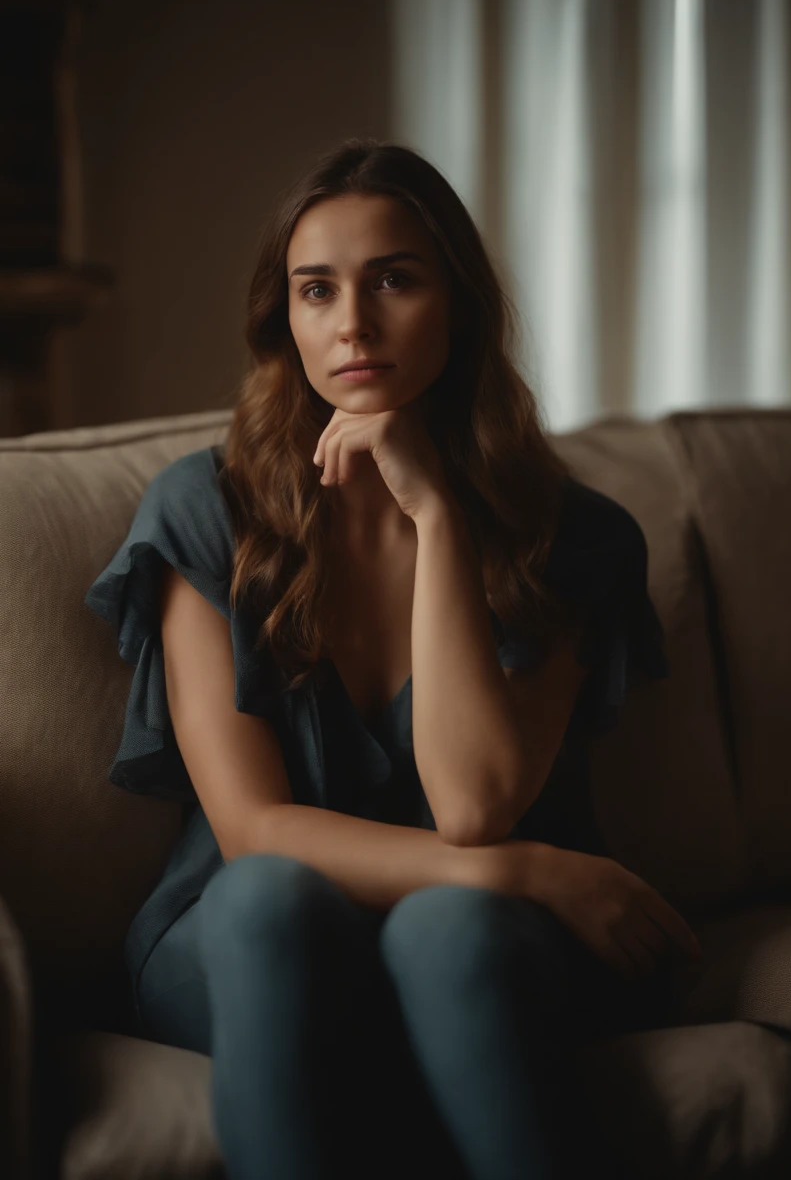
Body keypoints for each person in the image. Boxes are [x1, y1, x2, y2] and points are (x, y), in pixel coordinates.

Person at [85, 137, 701, 1180]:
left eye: (394, 281)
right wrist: (535, 870)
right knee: (271, 897)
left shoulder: (575, 536)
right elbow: (255, 831)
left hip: (485, 944)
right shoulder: (203, 510)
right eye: (316, 290)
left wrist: (438, 513)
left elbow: (470, 806)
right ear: (282, 317)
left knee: (447, 930)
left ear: (455, 303)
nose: (353, 325)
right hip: (251, 936)